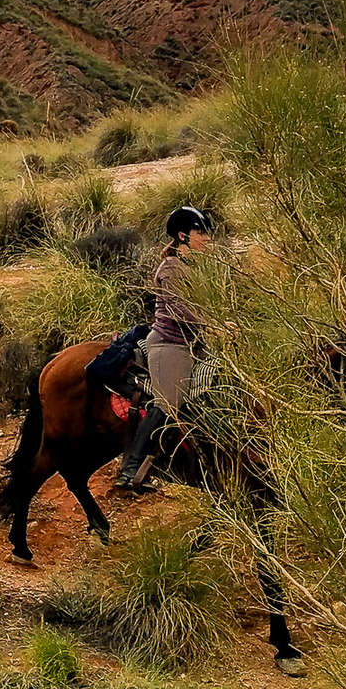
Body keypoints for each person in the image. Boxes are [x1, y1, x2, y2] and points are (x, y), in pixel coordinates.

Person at [114, 204, 210, 494]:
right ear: (182, 236)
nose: (206, 238)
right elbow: (181, 309)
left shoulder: (194, 267)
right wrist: (214, 323)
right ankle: (130, 469)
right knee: (168, 403)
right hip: (170, 345)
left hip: (191, 344)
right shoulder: (171, 267)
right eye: (199, 233)